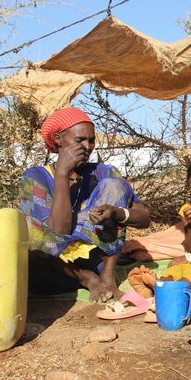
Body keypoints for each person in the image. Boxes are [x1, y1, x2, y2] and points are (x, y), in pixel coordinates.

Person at [19, 107, 151, 302]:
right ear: (58, 139)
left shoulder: (103, 172)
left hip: (96, 261)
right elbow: (56, 231)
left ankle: (107, 278)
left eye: (92, 140)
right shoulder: (35, 177)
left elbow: (144, 218)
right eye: (79, 140)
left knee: (114, 185)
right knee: (27, 229)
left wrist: (116, 213)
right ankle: (88, 279)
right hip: (57, 269)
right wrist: (62, 175)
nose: (87, 147)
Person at [128, 160, 191, 297]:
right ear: (188, 187)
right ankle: (159, 285)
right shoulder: (186, 210)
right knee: (174, 270)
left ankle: (164, 291)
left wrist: (189, 257)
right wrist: (190, 225)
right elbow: (189, 248)